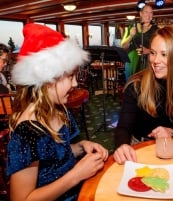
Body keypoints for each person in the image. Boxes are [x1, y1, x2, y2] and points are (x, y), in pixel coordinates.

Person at [6, 23, 109, 201]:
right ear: (46, 80)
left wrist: (81, 146)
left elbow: (53, 155)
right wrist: (76, 175)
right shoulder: (27, 132)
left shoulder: (59, 111)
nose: (76, 84)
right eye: (70, 77)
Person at [113, 25, 173, 165]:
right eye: (153, 53)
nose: (155, 60)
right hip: (139, 150)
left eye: (164, 54)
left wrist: (172, 131)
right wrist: (122, 146)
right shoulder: (136, 85)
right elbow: (124, 127)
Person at [121, 3, 158, 81]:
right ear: (140, 13)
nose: (149, 15)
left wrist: (148, 50)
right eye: (146, 12)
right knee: (131, 84)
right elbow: (123, 46)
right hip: (132, 61)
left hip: (147, 62)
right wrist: (131, 36)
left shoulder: (156, 30)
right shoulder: (132, 26)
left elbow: (161, 49)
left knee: (145, 84)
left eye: (151, 12)